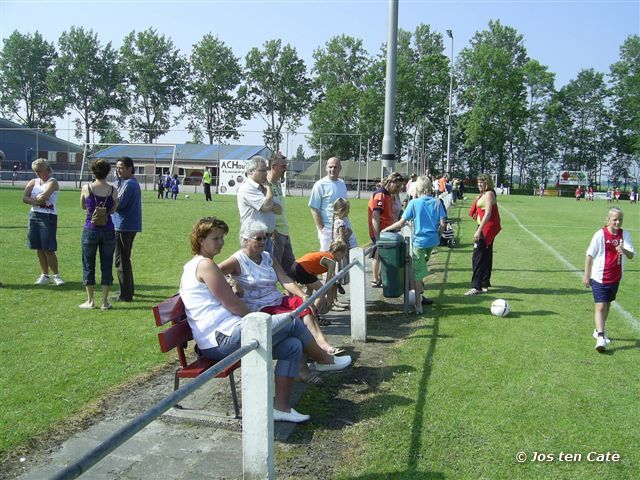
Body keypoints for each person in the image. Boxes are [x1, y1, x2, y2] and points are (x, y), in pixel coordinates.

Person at [180, 217, 350, 421]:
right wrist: (258, 323)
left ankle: (281, 408)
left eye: (222, 238)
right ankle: (324, 360)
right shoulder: (205, 264)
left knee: (293, 345)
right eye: (215, 238)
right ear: (200, 240)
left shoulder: (202, 265)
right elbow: (233, 304)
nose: (221, 243)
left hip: (229, 333)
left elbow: (228, 297)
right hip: (220, 341)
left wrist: (236, 289)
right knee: (292, 321)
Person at [219, 220, 345, 357]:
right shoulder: (237, 260)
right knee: (292, 317)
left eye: (265, 237)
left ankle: (323, 344)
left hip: (276, 298)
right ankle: (317, 354)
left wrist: (302, 295)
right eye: (258, 238)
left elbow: (284, 279)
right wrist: (231, 281)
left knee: (304, 306)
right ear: (245, 240)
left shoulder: (267, 257)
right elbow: (214, 272)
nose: (263, 241)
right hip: (259, 306)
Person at [382, 176, 447, 312]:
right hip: (432, 241)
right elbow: (443, 224)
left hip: (419, 242)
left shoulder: (414, 203)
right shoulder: (438, 202)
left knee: (417, 274)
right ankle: (420, 292)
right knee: (418, 266)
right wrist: (438, 235)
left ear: (417, 188)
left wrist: (386, 229)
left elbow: (402, 222)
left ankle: (418, 304)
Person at [582, 207, 635, 352]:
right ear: (608, 220)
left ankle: (598, 329)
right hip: (599, 277)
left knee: (607, 305)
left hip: (615, 277)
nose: (618, 222)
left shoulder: (625, 235)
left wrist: (623, 250)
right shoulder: (600, 234)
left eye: (620, 220)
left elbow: (631, 256)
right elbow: (589, 255)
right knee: (600, 306)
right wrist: (586, 275)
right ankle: (600, 337)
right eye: (615, 219)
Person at [79, 159, 118, 309]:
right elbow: (114, 209)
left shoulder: (86, 187)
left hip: (90, 229)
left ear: (93, 171)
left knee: (88, 264)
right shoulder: (113, 190)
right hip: (108, 229)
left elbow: (83, 205)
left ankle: (90, 300)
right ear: (108, 172)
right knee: (107, 264)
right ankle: (105, 301)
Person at [22, 158, 65, 285]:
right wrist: (36, 200)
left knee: (48, 248)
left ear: (46, 169)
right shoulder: (33, 182)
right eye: (35, 171)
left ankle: (56, 275)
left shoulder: (53, 182)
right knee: (38, 247)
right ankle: (44, 275)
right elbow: (24, 198)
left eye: (39, 171)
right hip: (34, 215)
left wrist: (34, 199)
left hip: (48, 216)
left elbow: (44, 197)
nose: (37, 174)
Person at [464, 173, 502, 296]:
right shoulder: (485, 194)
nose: (479, 184)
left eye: (482, 182)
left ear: (488, 183)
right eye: (478, 182)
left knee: (478, 257)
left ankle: (476, 286)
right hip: (484, 228)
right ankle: (484, 283)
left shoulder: (489, 194)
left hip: (485, 229)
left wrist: (479, 230)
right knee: (485, 256)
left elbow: (488, 214)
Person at [367, 172, 406, 287]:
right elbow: (375, 216)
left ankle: (380, 277)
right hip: (380, 231)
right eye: (397, 186)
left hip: (387, 230)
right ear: (390, 182)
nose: (399, 189)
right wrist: (377, 236)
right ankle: (375, 279)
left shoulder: (388, 195)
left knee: (383, 254)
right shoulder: (380, 195)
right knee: (378, 254)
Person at [236, 156, 282, 253]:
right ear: (251, 171)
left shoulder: (261, 188)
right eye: (262, 170)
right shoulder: (247, 188)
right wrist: (269, 188)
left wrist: (269, 203)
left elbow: (279, 210)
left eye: (266, 170)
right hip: (253, 239)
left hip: (266, 238)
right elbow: (266, 206)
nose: (265, 173)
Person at [289, 240, 348, 314]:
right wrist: (330, 302)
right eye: (343, 255)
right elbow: (328, 284)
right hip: (301, 268)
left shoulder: (325, 254)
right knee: (322, 291)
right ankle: (314, 315)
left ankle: (304, 311)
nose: (343, 258)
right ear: (339, 253)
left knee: (309, 290)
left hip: (296, 265)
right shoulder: (331, 261)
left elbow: (314, 269)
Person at [112, 156, 142, 302]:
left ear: (130, 169)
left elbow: (120, 203)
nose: (118, 170)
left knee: (121, 260)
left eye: (121, 168)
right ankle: (127, 289)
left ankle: (126, 294)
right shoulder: (128, 182)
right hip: (126, 224)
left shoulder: (129, 184)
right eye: (117, 167)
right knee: (124, 259)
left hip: (124, 226)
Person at [308, 156, 348, 251]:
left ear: (340, 168)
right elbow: (314, 209)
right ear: (326, 168)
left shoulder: (342, 183)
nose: (332, 169)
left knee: (345, 255)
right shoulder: (319, 185)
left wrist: (347, 225)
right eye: (330, 167)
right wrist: (322, 230)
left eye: (335, 167)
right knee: (327, 257)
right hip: (327, 229)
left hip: (342, 228)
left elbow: (344, 207)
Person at [267, 153, 295, 273]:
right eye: (283, 167)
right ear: (273, 166)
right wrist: (274, 232)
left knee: (292, 271)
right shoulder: (265, 185)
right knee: (274, 272)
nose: (285, 169)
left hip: (285, 232)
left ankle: (290, 293)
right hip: (275, 234)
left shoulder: (277, 184)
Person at [332, 197, 357, 301]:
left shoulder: (334, 220)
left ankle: (337, 285)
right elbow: (342, 238)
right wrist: (349, 234)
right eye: (348, 210)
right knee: (341, 270)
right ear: (342, 210)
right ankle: (338, 284)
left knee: (338, 270)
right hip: (341, 251)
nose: (349, 212)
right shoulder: (341, 223)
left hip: (335, 249)